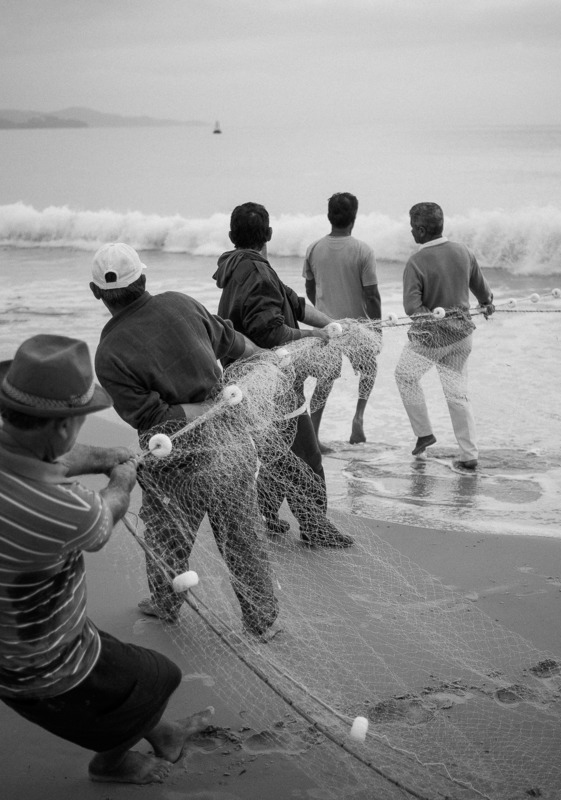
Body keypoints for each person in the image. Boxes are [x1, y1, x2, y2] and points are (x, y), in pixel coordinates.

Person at [0, 334, 213, 785]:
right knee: (161, 677)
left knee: (126, 677)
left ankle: (163, 733)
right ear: (63, 428)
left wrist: (109, 456)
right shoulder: (63, 508)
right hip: (33, 662)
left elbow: (46, 451)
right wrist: (121, 479)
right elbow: (105, 514)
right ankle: (110, 764)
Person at [88, 242, 280, 639]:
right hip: (228, 442)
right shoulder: (181, 303)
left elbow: (153, 418)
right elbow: (234, 343)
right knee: (241, 535)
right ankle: (261, 622)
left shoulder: (108, 353)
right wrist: (264, 359)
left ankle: (166, 604)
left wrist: (201, 408)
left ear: (96, 292)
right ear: (143, 278)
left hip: (172, 457)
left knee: (166, 532)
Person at [213, 201, 353, 548]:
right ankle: (315, 527)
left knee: (278, 451)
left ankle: (265, 515)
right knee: (306, 454)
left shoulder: (241, 266)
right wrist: (313, 335)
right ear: (270, 234)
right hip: (267, 378)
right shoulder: (257, 273)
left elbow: (295, 303)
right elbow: (271, 331)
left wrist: (334, 325)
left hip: (247, 377)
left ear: (231, 236)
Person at [394, 202, 495, 470]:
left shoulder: (416, 262)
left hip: (432, 340)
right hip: (462, 336)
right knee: (457, 393)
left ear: (421, 230)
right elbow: (483, 292)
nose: (411, 231)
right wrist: (487, 303)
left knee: (405, 376)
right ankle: (469, 453)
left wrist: (433, 322)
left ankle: (424, 434)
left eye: (413, 227)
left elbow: (412, 308)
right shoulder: (464, 251)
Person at [302, 191, 382, 448]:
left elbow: (309, 287)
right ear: (354, 217)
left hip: (326, 326)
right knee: (368, 369)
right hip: (356, 326)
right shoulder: (363, 250)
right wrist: (376, 328)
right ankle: (358, 418)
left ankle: (314, 435)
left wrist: (321, 312)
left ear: (329, 217)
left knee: (324, 380)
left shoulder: (314, 248)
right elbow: (372, 295)